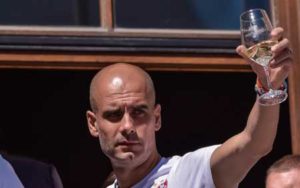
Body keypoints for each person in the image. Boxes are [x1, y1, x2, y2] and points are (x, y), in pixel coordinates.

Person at [86, 27, 293, 188]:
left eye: (138, 112)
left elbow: (253, 144)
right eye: (114, 115)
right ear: (94, 124)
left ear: (156, 118)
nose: (127, 126)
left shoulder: (187, 174)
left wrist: (268, 87)